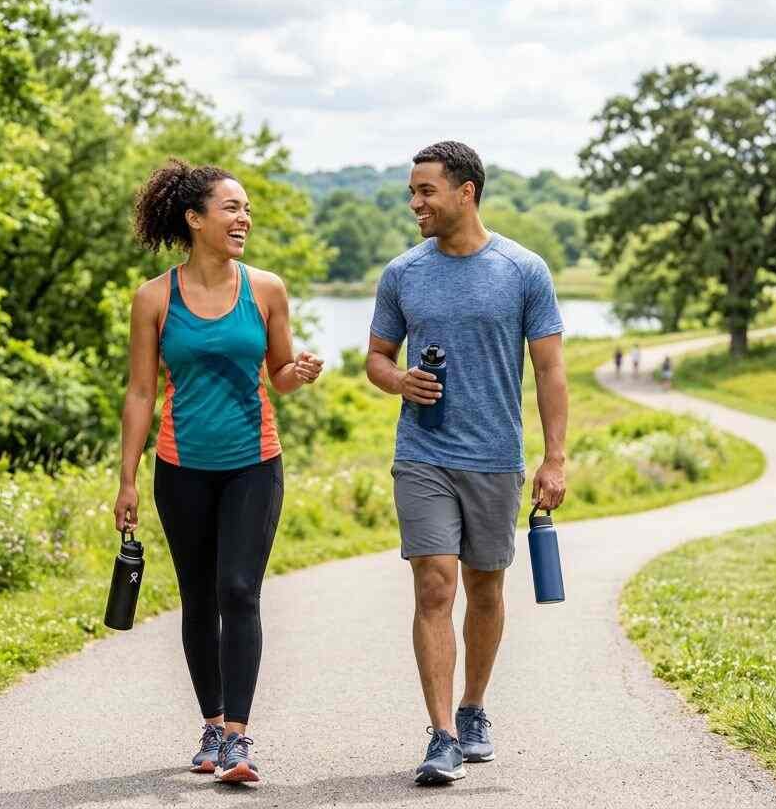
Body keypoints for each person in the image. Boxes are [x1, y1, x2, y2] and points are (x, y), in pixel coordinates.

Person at [114, 159, 324, 785]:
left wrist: (298, 372)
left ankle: (237, 738)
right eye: (231, 208)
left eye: (247, 209)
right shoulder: (154, 298)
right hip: (181, 468)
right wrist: (127, 479)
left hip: (253, 464)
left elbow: (279, 375)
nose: (244, 219)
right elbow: (141, 392)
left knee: (238, 590)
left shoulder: (267, 289)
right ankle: (211, 724)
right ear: (194, 218)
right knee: (199, 597)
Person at [365, 141, 568, 786]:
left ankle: (473, 708)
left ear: (466, 192)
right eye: (412, 193)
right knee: (434, 585)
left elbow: (550, 370)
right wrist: (399, 381)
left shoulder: (523, 270)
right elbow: (376, 358)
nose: (415, 204)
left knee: (485, 589)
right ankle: (442, 736)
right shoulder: (403, 273)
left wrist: (554, 458)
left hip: (494, 457)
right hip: (422, 452)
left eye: (426, 191)